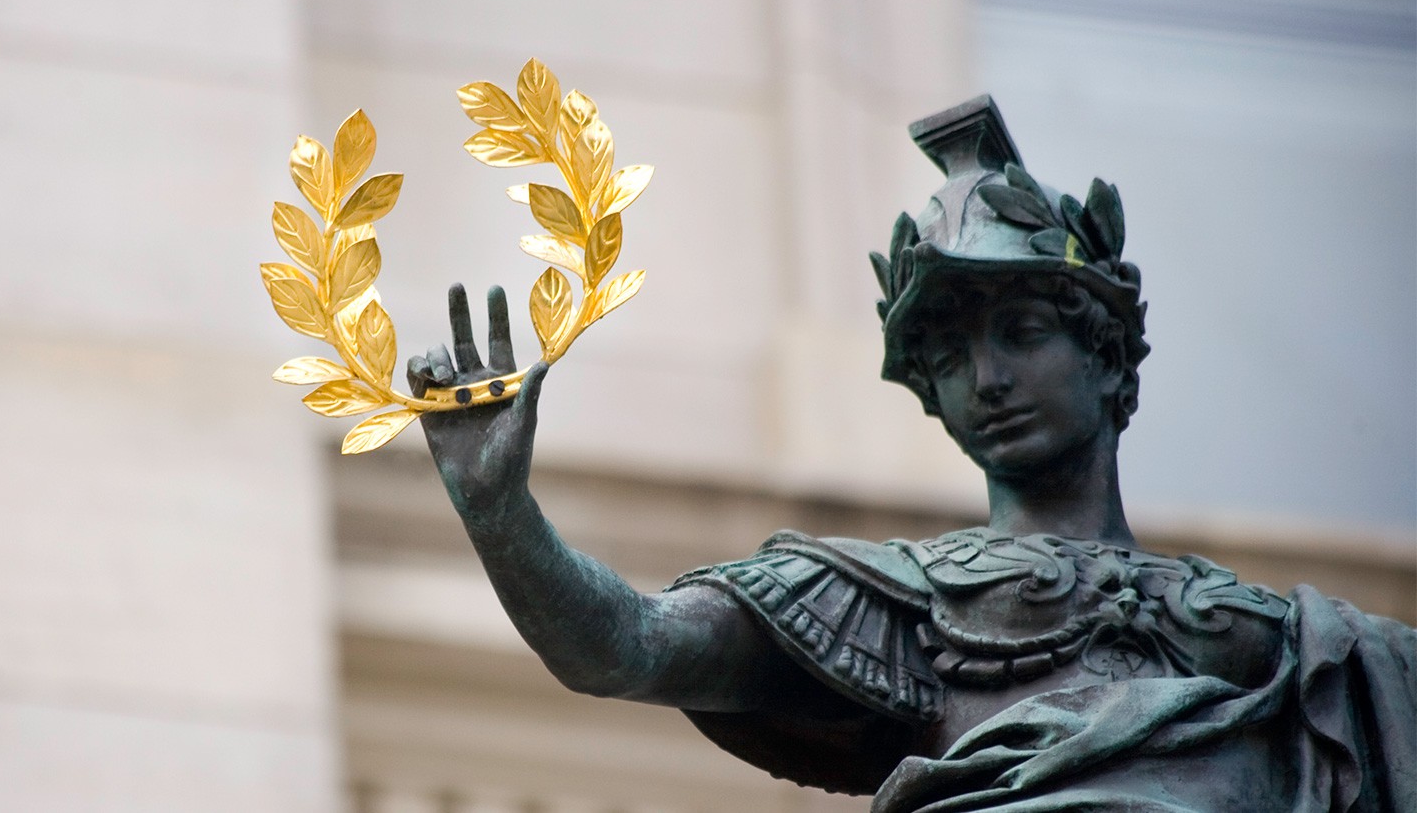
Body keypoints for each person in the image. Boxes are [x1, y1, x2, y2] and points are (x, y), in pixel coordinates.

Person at [404, 96, 1415, 811]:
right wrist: (503, 517)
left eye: (1020, 333)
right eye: (950, 357)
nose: (989, 379)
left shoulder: (1313, 653)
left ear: (1109, 359)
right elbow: (626, 644)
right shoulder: (894, 601)